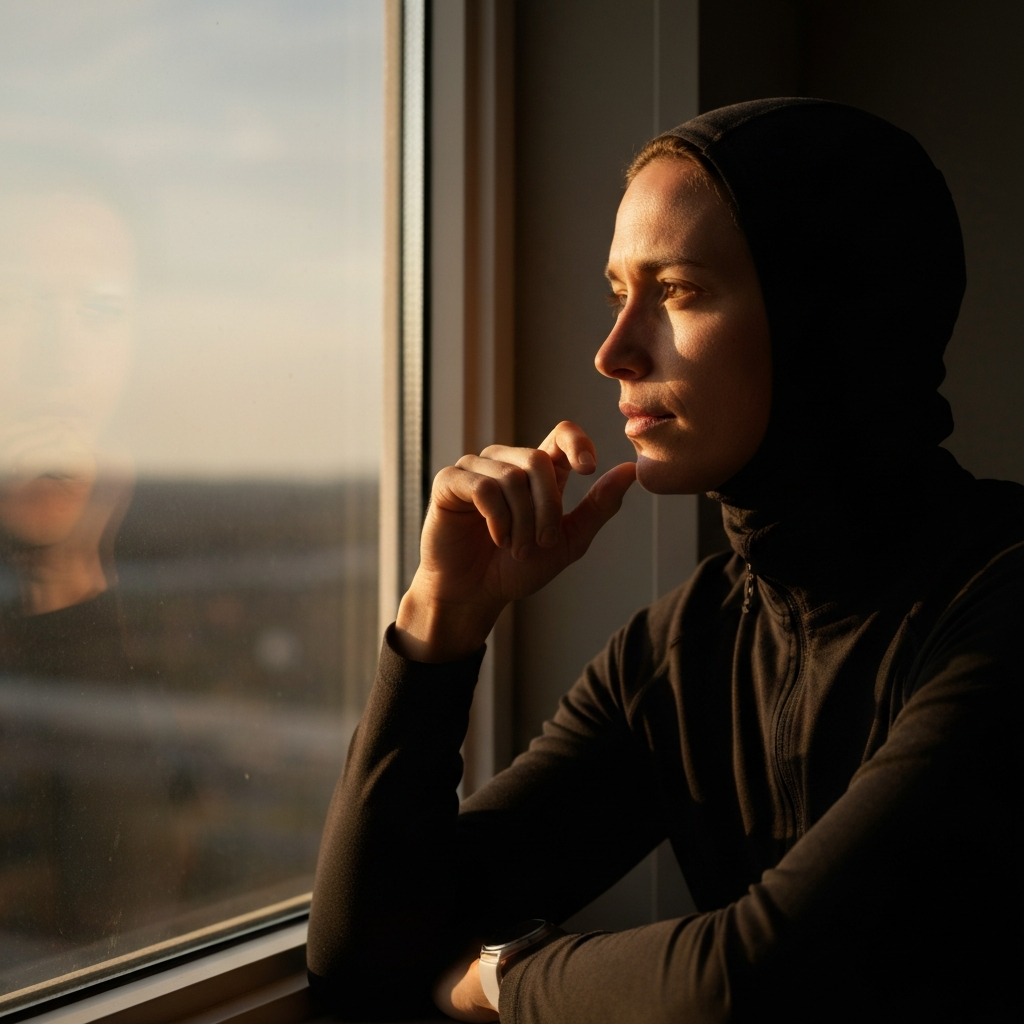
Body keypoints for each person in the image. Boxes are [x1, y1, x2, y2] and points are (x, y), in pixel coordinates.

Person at [306, 99, 1022, 1022]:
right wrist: (439, 620)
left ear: (829, 316)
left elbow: (756, 978)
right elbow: (361, 961)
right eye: (618, 293)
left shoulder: (1001, 606)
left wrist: (504, 980)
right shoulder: (687, 649)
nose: (613, 353)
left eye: (678, 290)